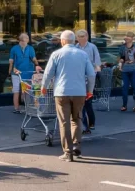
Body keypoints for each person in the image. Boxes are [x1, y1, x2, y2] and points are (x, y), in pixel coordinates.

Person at [40, 30, 96, 162]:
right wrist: (90, 90)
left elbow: (48, 73)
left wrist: (44, 86)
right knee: (76, 120)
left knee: (64, 122)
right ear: (74, 40)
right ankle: (76, 148)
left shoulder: (56, 54)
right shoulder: (83, 54)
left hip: (62, 92)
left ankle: (68, 152)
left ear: (63, 41)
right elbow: (92, 74)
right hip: (79, 92)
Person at [74, 29, 101, 133]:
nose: (81, 38)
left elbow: (97, 61)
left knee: (88, 102)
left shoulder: (92, 47)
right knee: (81, 103)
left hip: (89, 77)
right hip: (79, 78)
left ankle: (91, 122)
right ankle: (84, 126)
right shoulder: (75, 48)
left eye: (83, 36)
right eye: (79, 37)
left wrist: (95, 71)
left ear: (87, 37)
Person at [8, 33, 39, 114]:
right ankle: (16, 108)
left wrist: (37, 65)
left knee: (27, 90)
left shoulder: (30, 48)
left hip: (27, 72)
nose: (24, 43)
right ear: (20, 40)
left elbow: (33, 58)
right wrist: (10, 70)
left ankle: (28, 107)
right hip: (16, 73)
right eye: (23, 41)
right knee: (16, 90)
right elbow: (11, 61)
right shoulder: (14, 49)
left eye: (26, 41)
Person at [118, 33, 135, 112]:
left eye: (128, 37)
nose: (126, 38)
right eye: (126, 37)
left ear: (132, 39)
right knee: (125, 88)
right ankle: (124, 105)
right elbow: (120, 58)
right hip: (125, 70)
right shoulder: (122, 48)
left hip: (134, 70)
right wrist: (120, 62)